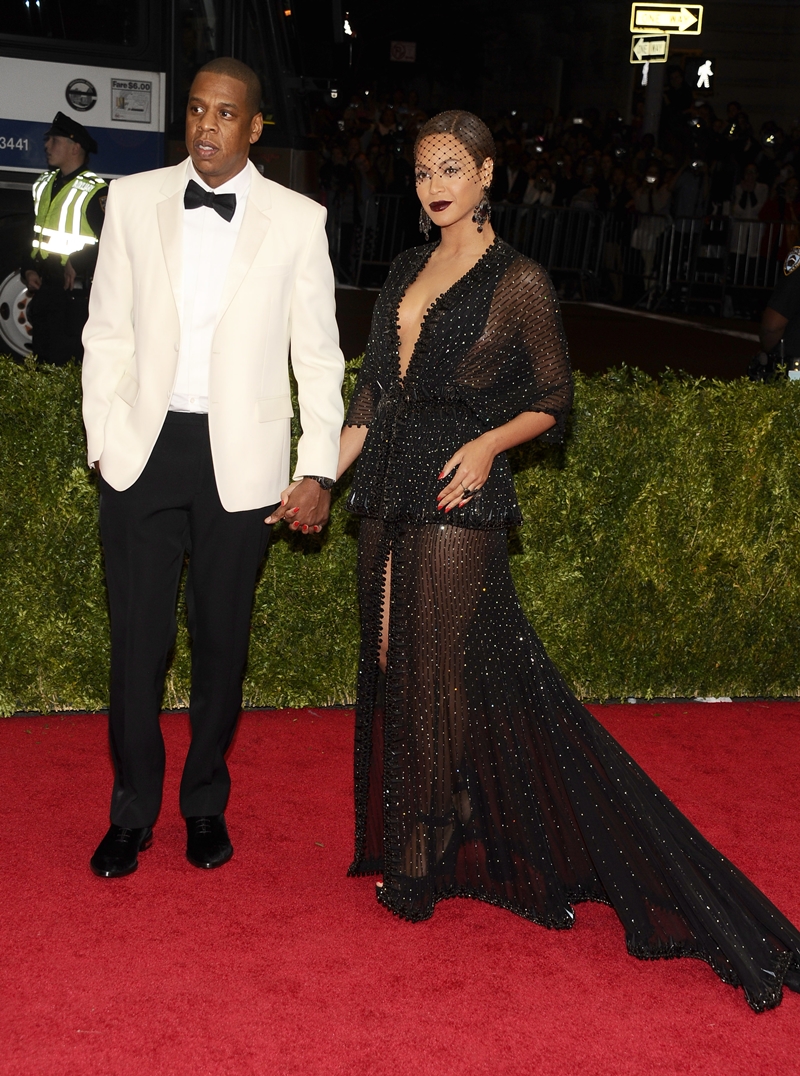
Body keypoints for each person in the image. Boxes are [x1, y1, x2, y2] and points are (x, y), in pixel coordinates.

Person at [313, 108, 800, 1012]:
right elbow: (374, 389)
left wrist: (491, 445)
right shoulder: (408, 268)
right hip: (388, 487)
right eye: (423, 169)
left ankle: (422, 856)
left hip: (462, 492)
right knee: (391, 660)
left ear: (490, 174)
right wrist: (315, 476)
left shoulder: (519, 281)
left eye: (452, 166)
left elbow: (553, 398)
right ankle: (453, 809)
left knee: (435, 671)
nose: (435, 183)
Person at [82, 58, 344, 879]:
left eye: (225, 113)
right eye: (196, 110)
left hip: (243, 462)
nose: (206, 126)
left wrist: (318, 468)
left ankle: (203, 805)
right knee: (138, 645)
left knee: (222, 645)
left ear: (255, 127)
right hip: (142, 452)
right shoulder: (131, 200)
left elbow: (319, 357)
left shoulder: (300, 220)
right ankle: (131, 813)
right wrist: (103, 439)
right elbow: (107, 332)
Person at [20, 112, 107, 365]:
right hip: (47, 288)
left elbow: (114, 239)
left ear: (74, 147)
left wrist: (78, 261)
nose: (46, 145)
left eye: (54, 141)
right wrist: (27, 267)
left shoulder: (95, 190)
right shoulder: (44, 184)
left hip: (75, 295)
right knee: (43, 358)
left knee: (67, 361)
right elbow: (32, 231)